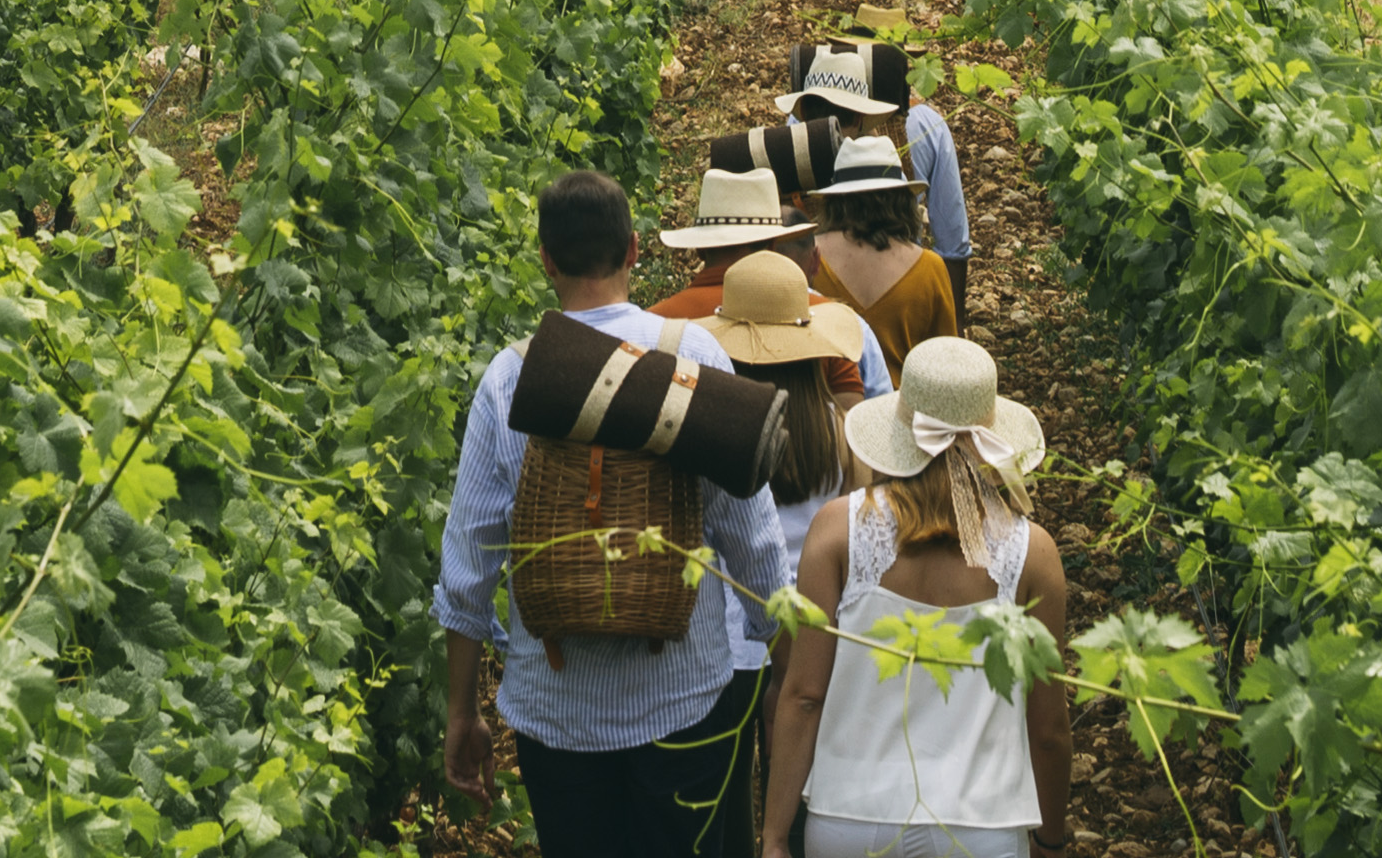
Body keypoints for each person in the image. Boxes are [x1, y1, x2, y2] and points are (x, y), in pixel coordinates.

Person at [437, 171, 810, 856]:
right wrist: (785, 671)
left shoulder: (511, 378)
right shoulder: (691, 354)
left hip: (554, 714)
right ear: (635, 250)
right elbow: (750, 540)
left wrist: (462, 713)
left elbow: (467, 565)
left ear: (546, 258)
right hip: (685, 697)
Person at [762, 332, 1071, 858]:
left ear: (901, 433)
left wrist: (773, 835)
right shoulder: (1031, 554)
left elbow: (803, 695)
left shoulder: (839, 531)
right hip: (981, 827)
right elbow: (1048, 727)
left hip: (849, 819)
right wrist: (1050, 836)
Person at [648, 163, 892, 406]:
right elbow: (851, 418)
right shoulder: (827, 321)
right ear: (775, 246)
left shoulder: (656, 324)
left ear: (700, 249)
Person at [774, 42, 978, 324]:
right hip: (905, 288)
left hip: (817, 305)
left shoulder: (789, 142)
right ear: (860, 116)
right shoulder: (925, 124)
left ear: (804, 112)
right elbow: (953, 243)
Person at [804, 129, 961, 380]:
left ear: (835, 199)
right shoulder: (930, 268)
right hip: (904, 414)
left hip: (827, 411)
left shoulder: (807, 258)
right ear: (901, 199)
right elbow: (947, 366)